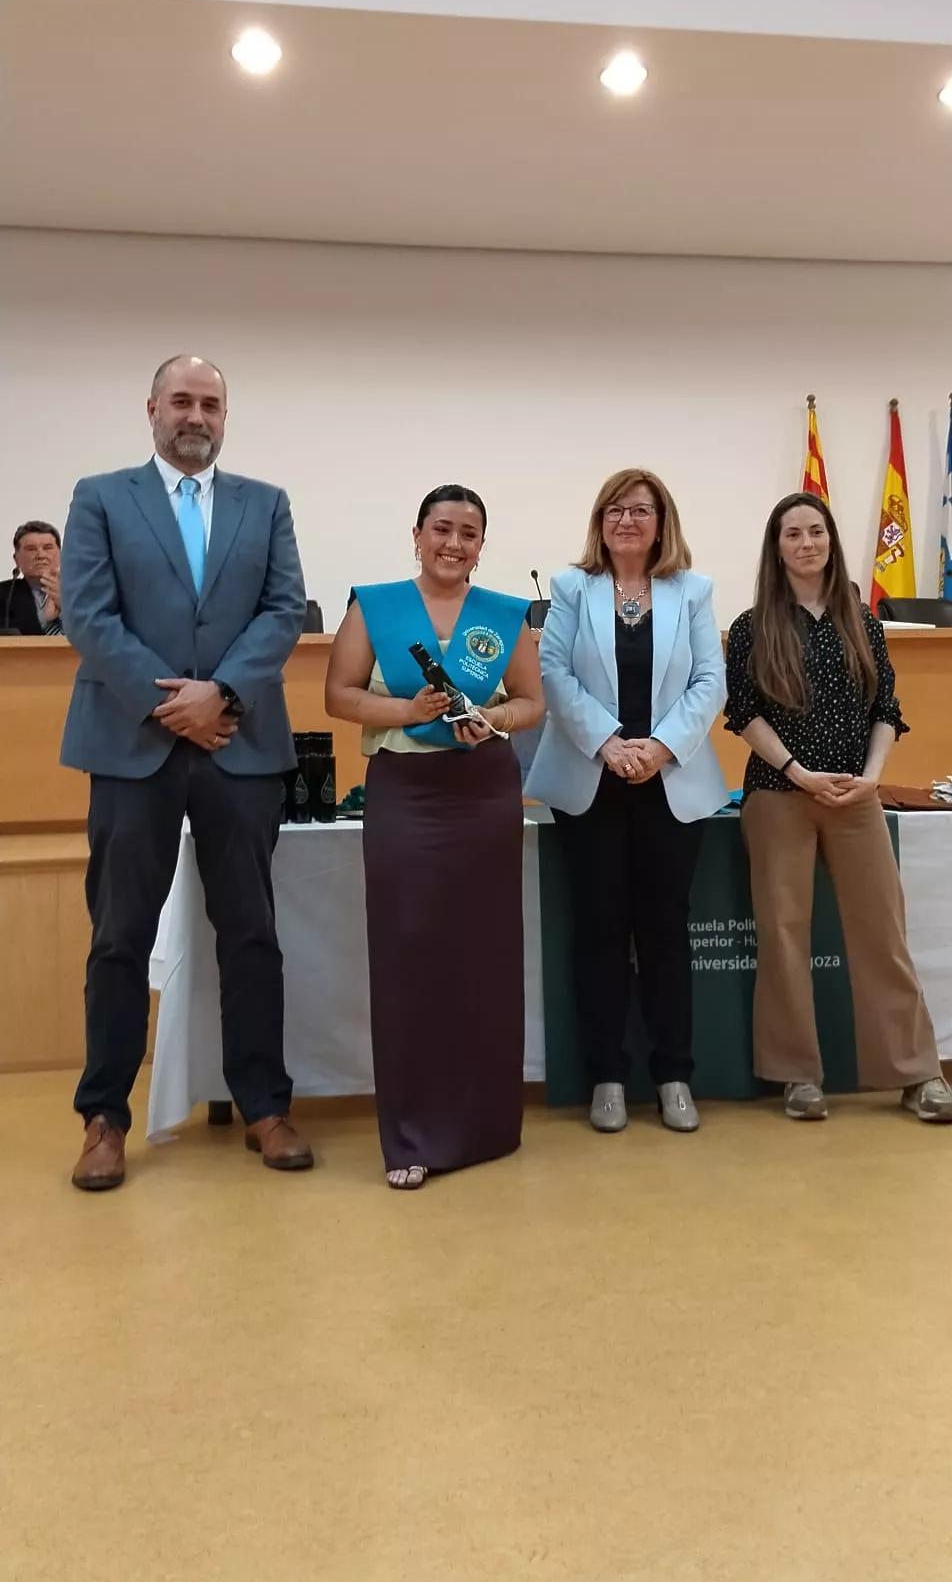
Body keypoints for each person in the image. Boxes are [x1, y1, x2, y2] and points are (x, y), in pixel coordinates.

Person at [60, 354, 313, 1190]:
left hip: (240, 744)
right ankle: (103, 1117)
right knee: (118, 938)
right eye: (181, 401)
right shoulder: (101, 497)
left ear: (224, 414)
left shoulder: (265, 504)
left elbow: (283, 610)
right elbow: (89, 616)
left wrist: (225, 693)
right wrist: (175, 703)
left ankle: (265, 1107)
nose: (195, 415)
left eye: (210, 402)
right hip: (132, 746)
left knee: (251, 935)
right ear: (152, 410)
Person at [325, 485, 544, 1189]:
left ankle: (485, 1125)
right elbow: (339, 695)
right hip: (407, 795)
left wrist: (497, 721)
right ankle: (413, 1135)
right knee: (409, 954)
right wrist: (405, 707)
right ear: (416, 534)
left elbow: (531, 702)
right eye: (442, 529)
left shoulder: (505, 616)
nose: (454, 543)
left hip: (482, 794)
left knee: (484, 958)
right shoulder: (375, 606)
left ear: (484, 544)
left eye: (469, 533)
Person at [725, 491, 952, 1124]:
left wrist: (871, 778)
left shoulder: (862, 622)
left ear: (831, 540)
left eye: (816, 532)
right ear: (777, 547)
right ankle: (798, 1076)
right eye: (792, 534)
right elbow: (744, 716)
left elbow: (886, 711)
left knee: (883, 934)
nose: (805, 543)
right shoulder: (752, 626)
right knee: (785, 935)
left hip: (856, 797)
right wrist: (799, 773)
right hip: (778, 796)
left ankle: (916, 1075)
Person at [528, 469, 728, 1135]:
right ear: (600, 521)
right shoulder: (571, 589)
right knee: (601, 931)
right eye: (615, 509)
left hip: (671, 783)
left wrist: (660, 748)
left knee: (667, 932)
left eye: (640, 509)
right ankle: (606, 1077)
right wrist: (610, 745)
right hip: (592, 784)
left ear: (660, 521)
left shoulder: (692, 591)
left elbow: (709, 681)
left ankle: (675, 1075)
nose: (626, 521)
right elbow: (551, 675)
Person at [0, 521, 64, 634]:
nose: (41, 555)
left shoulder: (85, 591)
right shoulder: (5, 595)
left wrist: (67, 607)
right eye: (31, 549)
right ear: (17, 559)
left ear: (60, 554)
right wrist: (46, 620)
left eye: (48, 548)